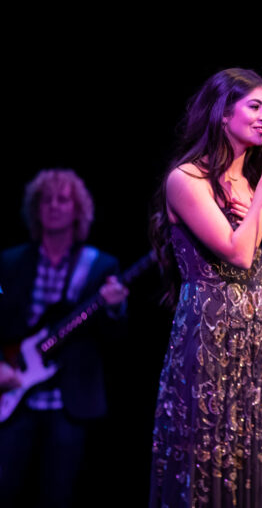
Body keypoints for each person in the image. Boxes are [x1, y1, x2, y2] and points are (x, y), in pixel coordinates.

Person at [147, 68, 262, 507]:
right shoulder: (186, 180)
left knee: (249, 454)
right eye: (255, 106)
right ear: (223, 113)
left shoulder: (253, 186)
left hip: (255, 342)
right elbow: (238, 254)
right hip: (208, 341)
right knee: (207, 457)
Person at [0, 168, 129, 508]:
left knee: (58, 496)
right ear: (35, 208)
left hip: (69, 402)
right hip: (14, 399)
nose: (54, 206)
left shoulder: (99, 265)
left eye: (62, 200)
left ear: (78, 210)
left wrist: (115, 309)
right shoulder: (10, 262)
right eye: (46, 200)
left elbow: (116, 340)